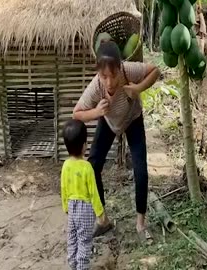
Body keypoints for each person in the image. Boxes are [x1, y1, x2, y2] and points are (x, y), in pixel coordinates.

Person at [73, 40, 160, 243]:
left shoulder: (130, 70)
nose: (110, 82)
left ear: (121, 68)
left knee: (140, 169)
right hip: (110, 123)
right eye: (104, 76)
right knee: (93, 166)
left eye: (114, 75)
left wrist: (138, 88)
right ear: (98, 74)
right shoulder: (96, 87)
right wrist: (96, 111)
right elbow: (76, 114)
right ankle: (103, 220)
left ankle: (140, 223)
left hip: (132, 119)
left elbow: (155, 70)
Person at [61, 119, 105, 270]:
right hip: (86, 209)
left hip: (72, 208)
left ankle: (73, 265)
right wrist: (100, 213)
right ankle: (82, 267)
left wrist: (65, 206)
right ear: (84, 145)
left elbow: (64, 188)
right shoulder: (87, 167)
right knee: (84, 242)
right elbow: (94, 193)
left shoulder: (66, 165)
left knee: (72, 240)